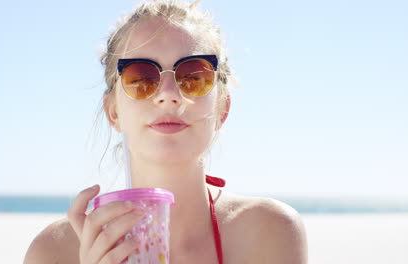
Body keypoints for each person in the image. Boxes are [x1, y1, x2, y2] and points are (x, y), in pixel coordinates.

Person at [24, 0, 308, 263]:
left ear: (222, 109)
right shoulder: (54, 251)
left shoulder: (267, 232)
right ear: (114, 111)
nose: (168, 95)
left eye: (194, 77)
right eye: (141, 78)